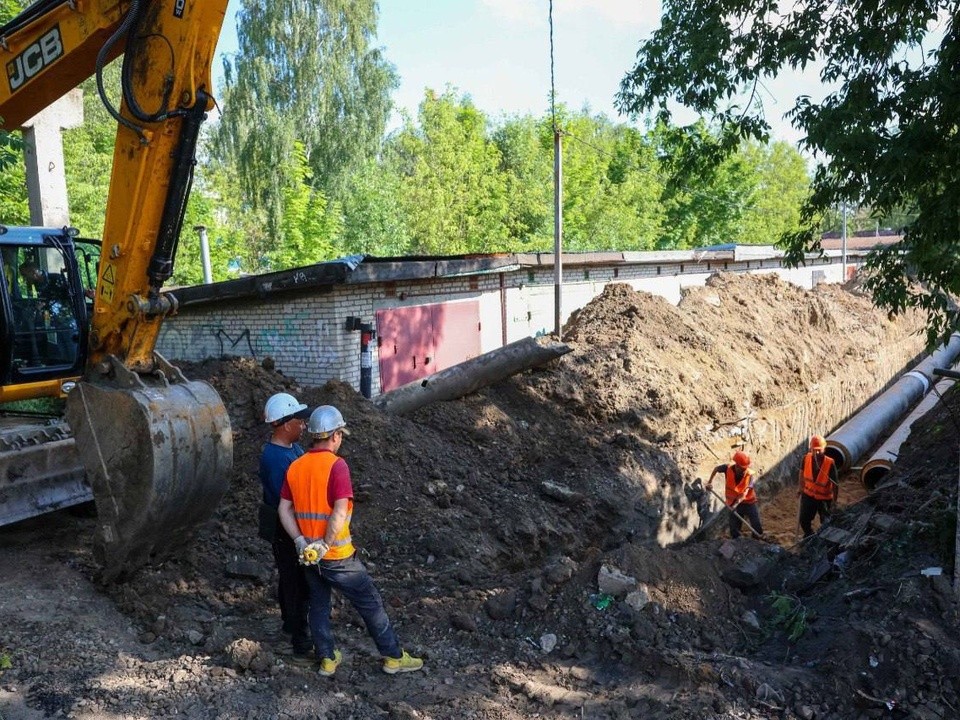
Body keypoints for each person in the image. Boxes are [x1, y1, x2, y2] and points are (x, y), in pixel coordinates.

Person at [278, 405, 423, 677]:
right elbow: (340, 511)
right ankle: (393, 657)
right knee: (370, 604)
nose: (340, 438)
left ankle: (327, 659)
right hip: (338, 556)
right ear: (334, 435)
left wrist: (300, 541)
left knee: (319, 606)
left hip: (309, 555)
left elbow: (283, 509)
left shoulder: (296, 466)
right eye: (340, 434)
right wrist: (326, 544)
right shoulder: (337, 466)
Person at [259, 392, 313, 663]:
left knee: (291, 577)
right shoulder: (276, 458)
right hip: (286, 527)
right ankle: (300, 639)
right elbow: (289, 502)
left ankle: (290, 624)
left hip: (293, 523)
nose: (303, 425)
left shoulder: (292, 449)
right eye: (299, 421)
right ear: (284, 424)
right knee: (295, 581)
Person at [707, 450, 763, 539]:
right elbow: (716, 469)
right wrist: (709, 482)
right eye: (742, 469)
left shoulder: (749, 475)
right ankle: (737, 541)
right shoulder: (727, 469)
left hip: (748, 502)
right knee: (734, 528)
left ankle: (756, 541)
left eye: (745, 468)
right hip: (733, 502)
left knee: (756, 524)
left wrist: (735, 505)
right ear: (737, 466)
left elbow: (744, 494)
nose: (744, 471)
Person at [798, 435, 838, 537]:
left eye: (819, 450)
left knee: (826, 522)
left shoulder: (830, 463)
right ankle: (809, 534)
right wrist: (801, 488)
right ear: (811, 449)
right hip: (808, 495)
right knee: (804, 519)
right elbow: (801, 474)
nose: (816, 453)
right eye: (814, 450)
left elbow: (835, 484)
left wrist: (834, 501)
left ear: (824, 449)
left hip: (824, 499)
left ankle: (824, 538)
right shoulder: (806, 459)